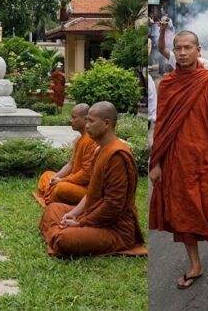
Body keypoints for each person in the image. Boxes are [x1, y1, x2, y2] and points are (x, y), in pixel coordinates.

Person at [149, 30, 208, 290]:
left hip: (207, 159)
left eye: (188, 47)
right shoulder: (168, 84)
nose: (182, 53)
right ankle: (195, 264)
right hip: (177, 161)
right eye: (178, 48)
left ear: (199, 50)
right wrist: (157, 162)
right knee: (183, 214)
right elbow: (161, 124)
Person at [39, 102, 144, 256]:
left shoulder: (117, 155)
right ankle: (61, 230)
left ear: (107, 123)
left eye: (91, 121)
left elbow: (113, 205)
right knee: (53, 209)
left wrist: (81, 223)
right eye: (86, 120)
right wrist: (74, 213)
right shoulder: (99, 150)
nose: (87, 126)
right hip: (91, 213)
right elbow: (91, 192)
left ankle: (59, 233)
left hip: (115, 228)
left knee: (64, 239)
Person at [37, 104, 98, 206]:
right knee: (47, 175)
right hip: (71, 180)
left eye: (74, 117)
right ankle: (51, 191)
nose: (71, 120)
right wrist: (55, 178)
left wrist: (62, 180)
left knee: (60, 188)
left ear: (85, 119)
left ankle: (51, 193)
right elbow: (70, 165)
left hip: (84, 187)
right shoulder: (79, 140)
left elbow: (86, 175)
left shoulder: (92, 141)